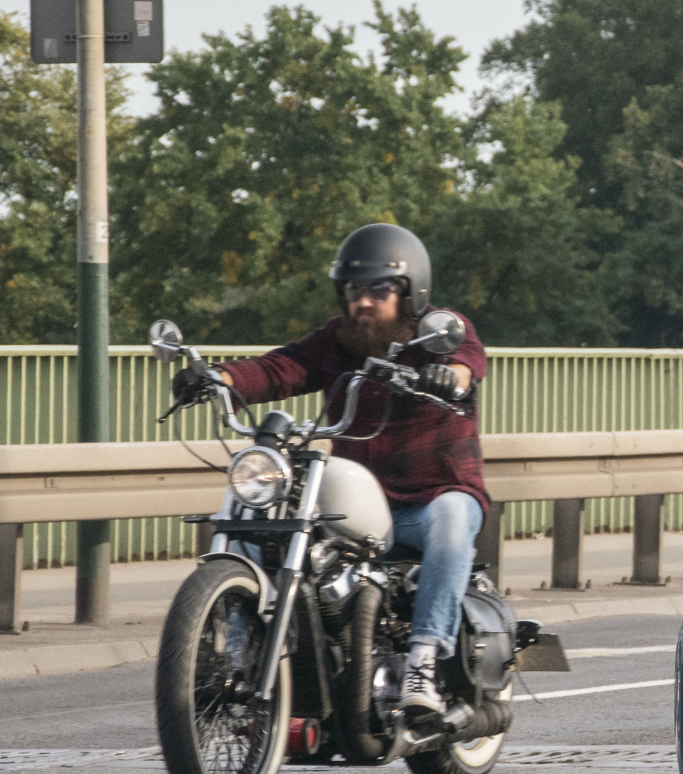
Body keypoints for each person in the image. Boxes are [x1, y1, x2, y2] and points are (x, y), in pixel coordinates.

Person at [178, 224, 490, 725]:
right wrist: (219, 377)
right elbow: (281, 368)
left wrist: (448, 376)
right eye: (352, 290)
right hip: (360, 501)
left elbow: (466, 362)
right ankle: (235, 650)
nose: (362, 302)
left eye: (377, 290)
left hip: (429, 498)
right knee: (253, 507)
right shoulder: (339, 342)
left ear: (411, 292)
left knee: (455, 517)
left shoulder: (442, 331)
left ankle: (423, 665)